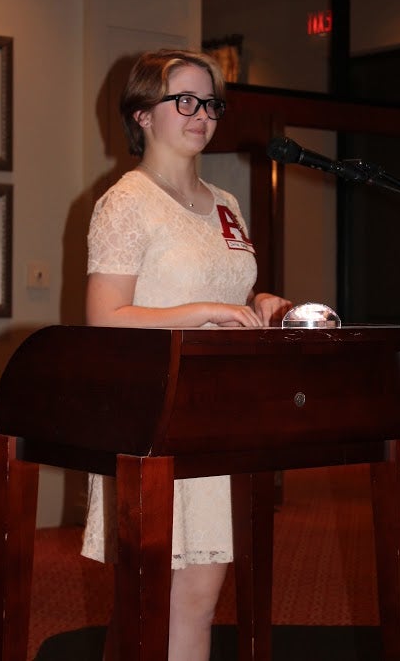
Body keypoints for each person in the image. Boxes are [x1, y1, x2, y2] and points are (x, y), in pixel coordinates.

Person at [81, 48, 292, 661]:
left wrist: (260, 302)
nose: (202, 115)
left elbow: (225, 292)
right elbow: (105, 317)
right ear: (143, 114)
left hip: (220, 413)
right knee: (149, 607)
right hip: (154, 414)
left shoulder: (225, 200)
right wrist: (207, 311)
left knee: (199, 602)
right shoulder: (126, 201)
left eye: (212, 104)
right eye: (186, 101)